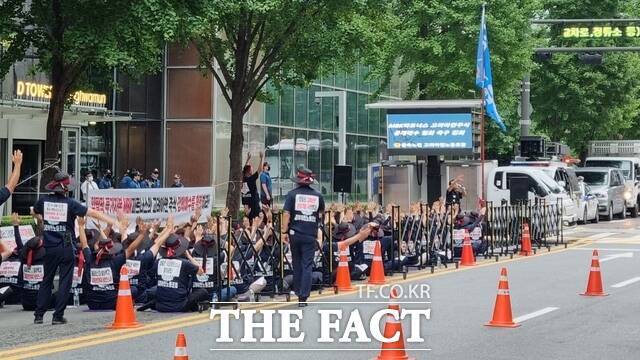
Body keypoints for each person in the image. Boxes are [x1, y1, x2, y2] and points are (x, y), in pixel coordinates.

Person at [33, 171, 118, 325]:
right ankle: (57, 316)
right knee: (65, 281)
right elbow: (92, 213)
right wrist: (111, 220)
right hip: (66, 245)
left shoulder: (43, 201)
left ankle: (39, 315)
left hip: (49, 246)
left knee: (46, 280)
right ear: (65, 189)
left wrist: (44, 220)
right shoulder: (70, 203)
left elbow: (34, 211)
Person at [282, 165, 325, 307]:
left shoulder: (292, 195)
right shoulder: (318, 196)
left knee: (297, 264)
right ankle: (303, 297)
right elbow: (320, 213)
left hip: (295, 233)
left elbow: (286, 214)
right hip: (310, 234)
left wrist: (284, 231)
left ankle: (298, 289)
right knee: (307, 265)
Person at [242, 152, 264, 220]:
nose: (252, 170)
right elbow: (259, 170)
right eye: (251, 169)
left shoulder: (243, 178)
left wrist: (248, 159)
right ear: (249, 172)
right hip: (254, 203)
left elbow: (244, 169)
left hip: (246, 203)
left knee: (249, 221)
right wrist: (261, 158)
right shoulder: (251, 179)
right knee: (257, 220)